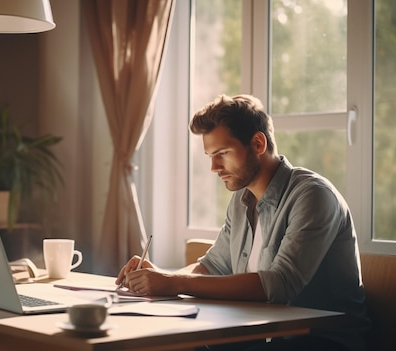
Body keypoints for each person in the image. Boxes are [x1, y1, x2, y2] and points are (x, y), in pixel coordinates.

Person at [116, 94, 369, 351]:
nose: (214, 167)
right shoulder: (241, 199)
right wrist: (159, 276)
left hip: (321, 341)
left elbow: (279, 284)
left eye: (222, 153)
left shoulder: (313, 195)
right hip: (258, 336)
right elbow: (213, 265)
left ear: (258, 143)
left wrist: (173, 282)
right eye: (210, 156)